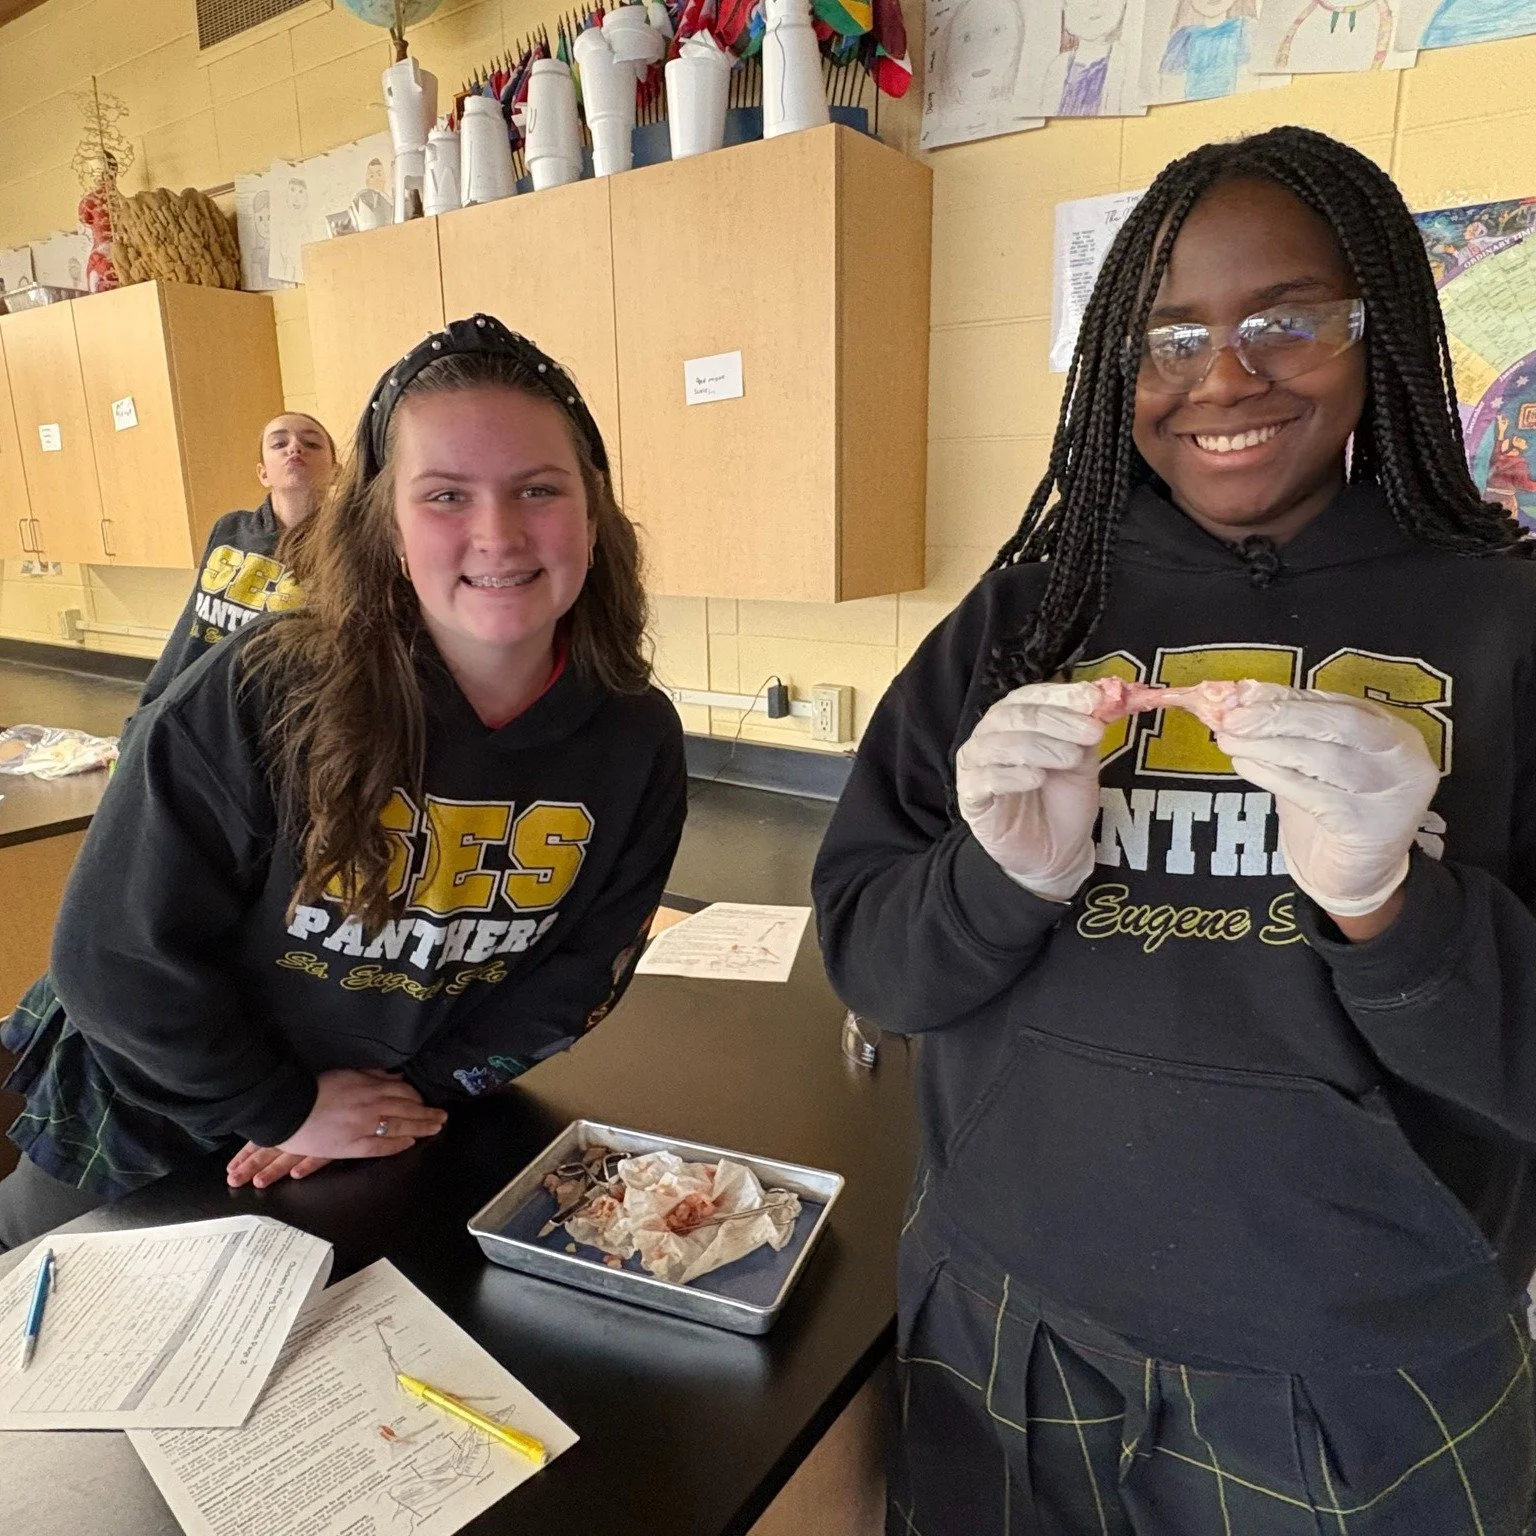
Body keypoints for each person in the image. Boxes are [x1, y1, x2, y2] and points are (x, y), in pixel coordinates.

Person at [813, 127, 1536, 1533]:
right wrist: (997, 881)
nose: (1224, 376)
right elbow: (872, 962)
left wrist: (1398, 912)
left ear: (1379, 327)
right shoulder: (1033, 617)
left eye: (1287, 320)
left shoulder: (1506, 627)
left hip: (1366, 1370)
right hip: (1002, 1328)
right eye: (1168, 334)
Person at [0, 316, 685, 1250]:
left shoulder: (635, 739)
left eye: (538, 488)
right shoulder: (262, 689)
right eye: (445, 494)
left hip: (391, 1129)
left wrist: (394, 1106)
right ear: (384, 523)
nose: (498, 532)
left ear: (595, 515)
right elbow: (114, 956)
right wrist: (282, 1107)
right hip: (159, 1116)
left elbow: (578, 975)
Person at [138, 410, 336, 711]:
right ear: (263, 473)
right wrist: (149, 709)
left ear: (336, 470)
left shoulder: (347, 545)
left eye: (311, 444)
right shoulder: (229, 529)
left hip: (285, 713)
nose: (295, 448)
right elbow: (193, 625)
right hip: (204, 706)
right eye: (279, 443)